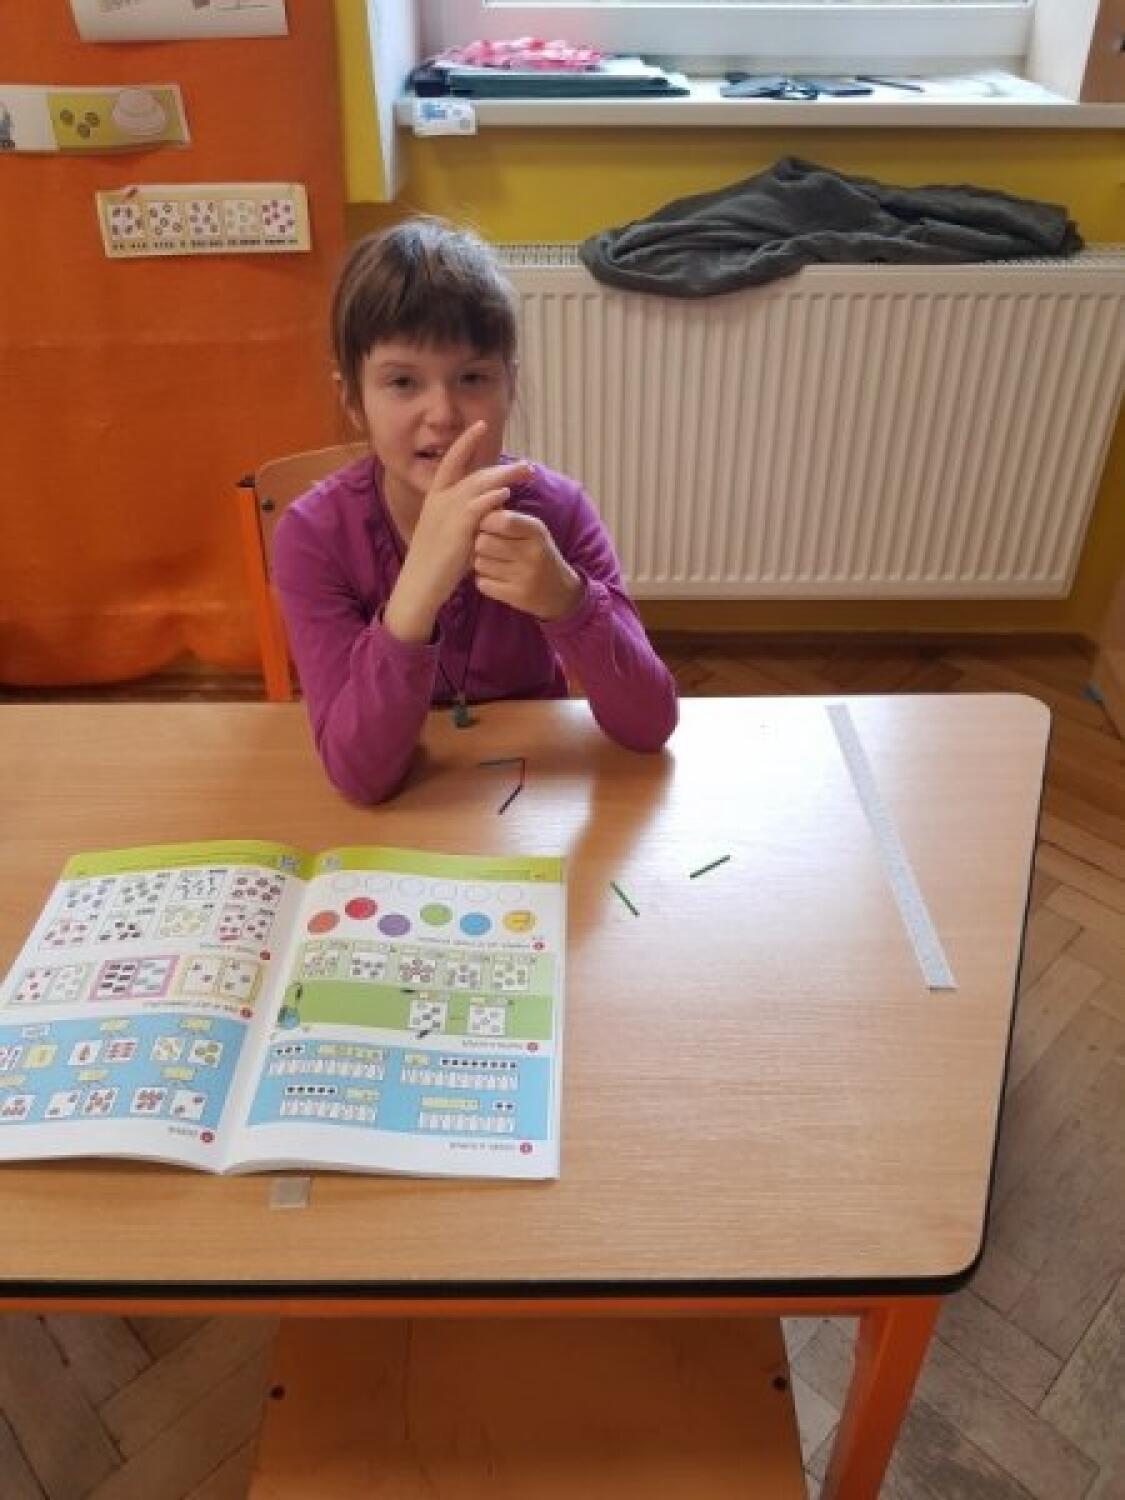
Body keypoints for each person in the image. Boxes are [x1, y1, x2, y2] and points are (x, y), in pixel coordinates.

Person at [272, 217, 678, 804]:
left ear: (509, 386)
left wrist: (568, 600)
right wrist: (415, 597)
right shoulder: (312, 537)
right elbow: (360, 779)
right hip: (411, 808)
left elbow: (649, 726)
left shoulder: (558, 512)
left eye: (472, 378)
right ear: (353, 400)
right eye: (403, 382)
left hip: (529, 794)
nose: (442, 414)